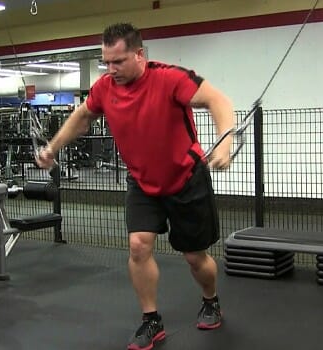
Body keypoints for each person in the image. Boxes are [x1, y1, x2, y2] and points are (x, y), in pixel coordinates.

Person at [36, 23, 235, 350]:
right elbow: (83, 116)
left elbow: (218, 101)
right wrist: (53, 148)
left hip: (185, 178)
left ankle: (210, 300)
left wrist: (225, 142)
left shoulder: (170, 78)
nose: (111, 70)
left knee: (194, 257)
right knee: (138, 246)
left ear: (139, 55)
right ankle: (150, 320)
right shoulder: (104, 88)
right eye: (106, 62)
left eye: (119, 61)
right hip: (142, 180)